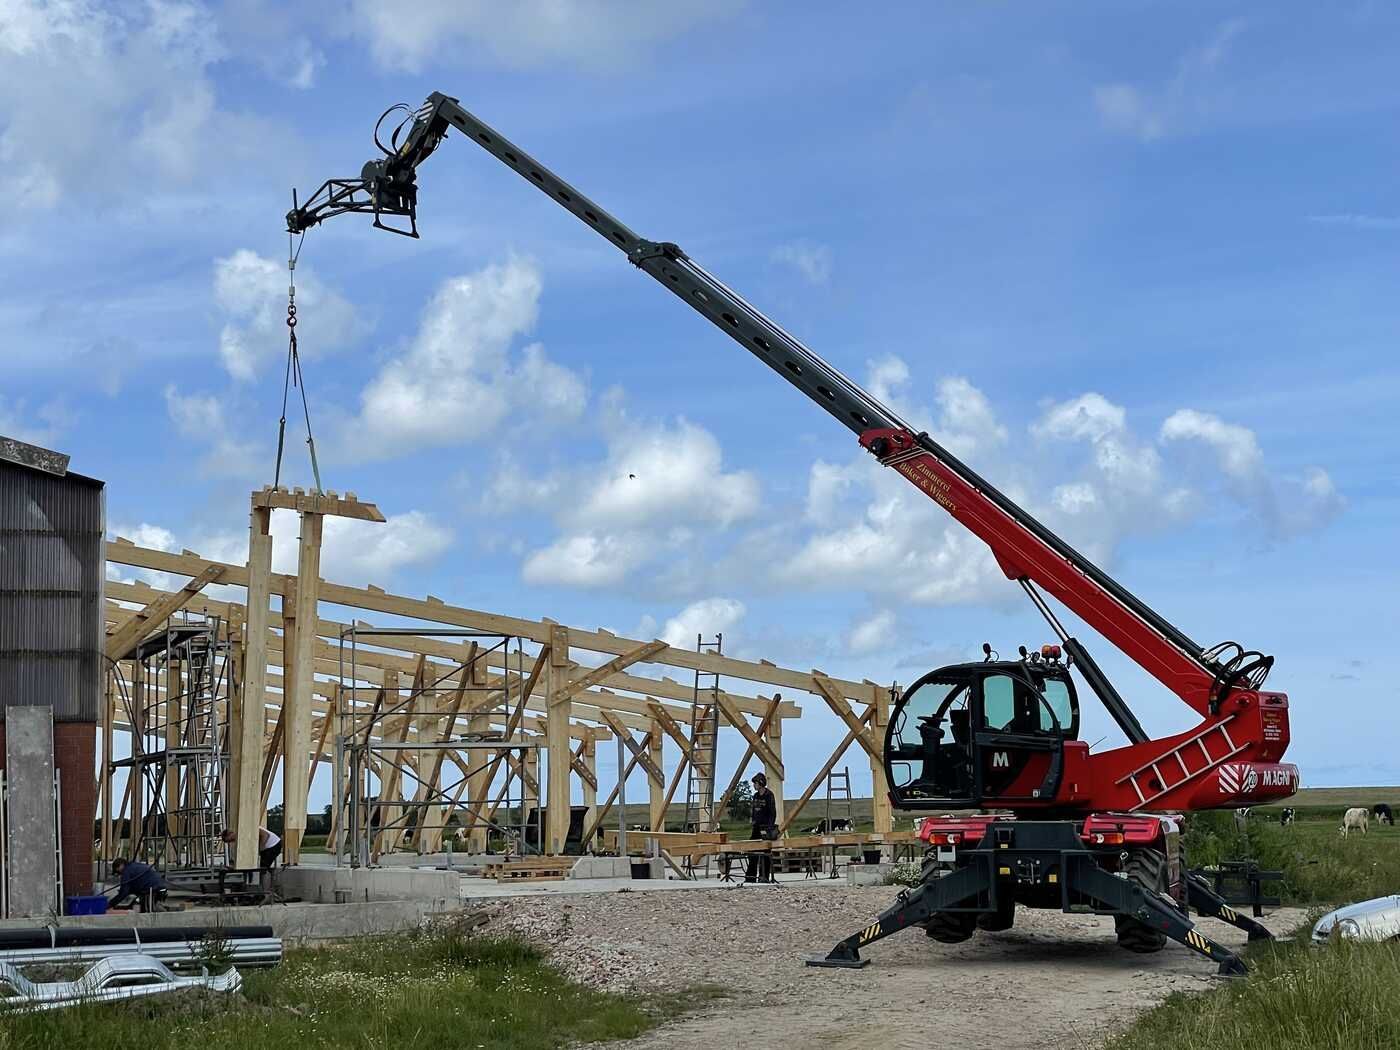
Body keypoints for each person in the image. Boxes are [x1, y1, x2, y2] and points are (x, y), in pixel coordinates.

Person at [746, 772, 778, 883]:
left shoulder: (769, 795)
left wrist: (769, 827)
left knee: (765, 853)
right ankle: (751, 877)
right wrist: (753, 819)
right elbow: (754, 810)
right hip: (756, 828)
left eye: (755, 783)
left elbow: (772, 813)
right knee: (752, 852)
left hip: (765, 828)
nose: (754, 786)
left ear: (760, 783)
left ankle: (764, 876)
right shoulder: (755, 796)